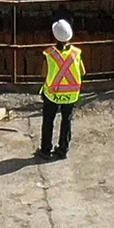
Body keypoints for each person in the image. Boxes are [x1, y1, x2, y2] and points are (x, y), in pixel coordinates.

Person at [37, 19, 83, 160]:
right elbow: (82, 71)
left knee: (48, 120)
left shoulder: (49, 54)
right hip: (71, 95)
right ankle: (63, 149)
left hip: (52, 94)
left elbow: (43, 74)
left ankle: (45, 150)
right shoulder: (76, 52)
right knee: (66, 120)